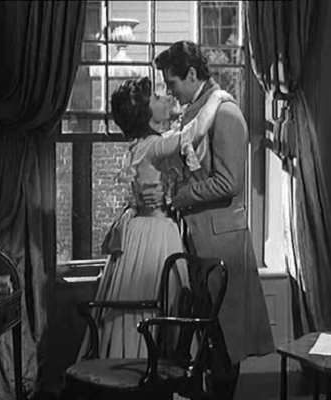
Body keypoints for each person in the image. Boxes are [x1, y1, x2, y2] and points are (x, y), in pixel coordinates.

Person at [142, 41, 275, 399]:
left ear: (191, 74)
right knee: (206, 338)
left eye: (172, 82)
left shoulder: (225, 113)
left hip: (221, 242)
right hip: (198, 239)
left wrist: (178, 197)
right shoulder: (197, 113)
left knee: (224, 340)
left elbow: (229, 183)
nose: (170, 90)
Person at [77, 76, 232, 360]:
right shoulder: (153, 146)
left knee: (153, 298)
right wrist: (217, 98)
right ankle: (146, 363)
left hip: (141, 229)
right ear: (145, 112)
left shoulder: (142, 144)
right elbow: (194, 132)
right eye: (156, 98)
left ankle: (138, 360)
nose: (164, 98)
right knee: (159, 298)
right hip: (155, 232)